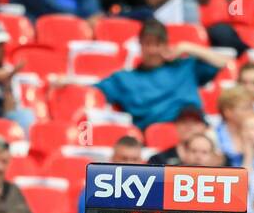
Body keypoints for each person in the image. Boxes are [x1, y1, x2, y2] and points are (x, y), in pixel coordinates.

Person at [96, 19, 233, 131]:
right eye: (148, 44)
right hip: (156, 138)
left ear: (166, 45)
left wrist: (187, 47)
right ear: (140, 45)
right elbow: (91, 93)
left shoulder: (186, 67)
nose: (152, 50)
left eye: (158, 44)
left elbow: (223, 62)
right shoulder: (124, 79)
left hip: (196, 129)